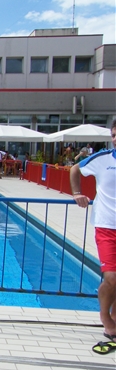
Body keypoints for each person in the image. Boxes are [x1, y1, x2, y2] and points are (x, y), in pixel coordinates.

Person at [70, 119, 116, 342]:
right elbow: (75, 169)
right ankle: (105, 317)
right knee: (111, 277)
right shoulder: (103, 159)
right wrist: (77, 192)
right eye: (114, 135)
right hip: (107, 227)